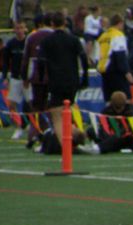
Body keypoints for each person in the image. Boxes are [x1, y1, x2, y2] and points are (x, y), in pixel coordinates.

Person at [38, 11, 90, 145]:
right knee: (70, 110)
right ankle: (79, 135)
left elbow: (40, 62)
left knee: (57, 115)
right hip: (72, 81)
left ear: (51, 24)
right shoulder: (73, 39)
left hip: (55, 81)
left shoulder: (46, 41)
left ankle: (65, 147)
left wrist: (42, 79)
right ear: (65, 23)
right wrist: (85, 77)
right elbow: (84, 58)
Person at [21, 12, 54, 149]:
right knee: (53, 108)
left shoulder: (32, 37)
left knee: (37, 108)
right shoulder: (55, 35)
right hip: (53, 76)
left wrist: (25, 77)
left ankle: (33, 135)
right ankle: (51, 134)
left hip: (36, 78)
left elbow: (26, 59)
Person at [2, 21, 32, 140]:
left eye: (21, 28)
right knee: (12, 104)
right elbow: (6, 62)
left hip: (28, 79)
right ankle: (18, 127)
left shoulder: (29, 43)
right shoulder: (10, 44)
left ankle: (31, 126)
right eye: (17, 28)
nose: (19, 30)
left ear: (25, 29)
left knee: (31, 103)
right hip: (15, 77)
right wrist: (4, 76)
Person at [97, 14, 133, 102]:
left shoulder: (103, 36)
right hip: (117, 72)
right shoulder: (118, 35)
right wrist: (127, 72)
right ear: (120, 23)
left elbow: (97, 55)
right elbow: (120, 55)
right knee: (124, 100)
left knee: (109, 101)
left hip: (104, 72)